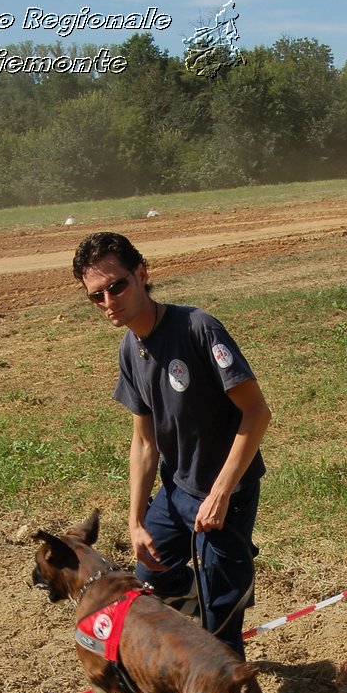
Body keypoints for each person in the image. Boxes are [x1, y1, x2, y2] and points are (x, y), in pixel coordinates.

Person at [72, 231, 271, 658]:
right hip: (178, 490)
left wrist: (219, 494)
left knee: (222, 637)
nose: (109, 301)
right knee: (151, 575)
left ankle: (223, 632)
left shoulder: (198, 328)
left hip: (225, 496)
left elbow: (257, 414)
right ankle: (211, 600)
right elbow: (144, 442)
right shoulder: (130, 348)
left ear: (142, 275)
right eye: (96, 296)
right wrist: (136, 519)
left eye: (117, 286)